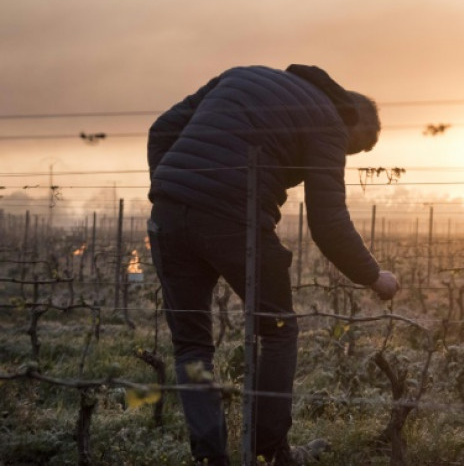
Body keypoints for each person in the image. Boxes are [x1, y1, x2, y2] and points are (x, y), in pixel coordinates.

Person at [147, 64, 400, 465]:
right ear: (353, 119)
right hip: (234, 220)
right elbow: (328, 222)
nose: (347, 157)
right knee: (278, 328)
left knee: (192, 346)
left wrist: (169, 189)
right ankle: (271, 452)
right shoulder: (330, 121)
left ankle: (210, 458)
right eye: (355, 148)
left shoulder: (241, 75)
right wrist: (373, 275)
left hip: (167, 216)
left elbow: (161, 130)